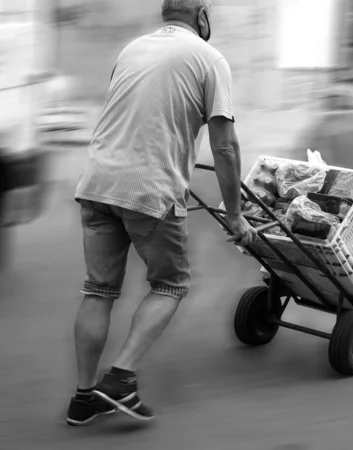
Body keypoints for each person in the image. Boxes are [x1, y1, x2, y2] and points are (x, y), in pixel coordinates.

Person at [66, 0, 257, 426]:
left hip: (97, 181)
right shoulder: (210, 59)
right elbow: (225, 146)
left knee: (97, 290)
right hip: (150, 189)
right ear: (202, 16)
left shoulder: (132, 49)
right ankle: (120, 379)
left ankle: (83, 398)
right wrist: (235, 213)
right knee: (170, 284)